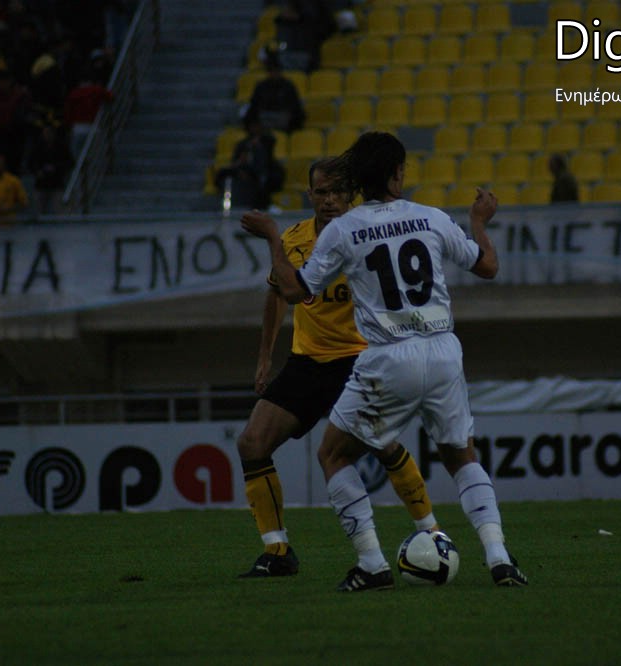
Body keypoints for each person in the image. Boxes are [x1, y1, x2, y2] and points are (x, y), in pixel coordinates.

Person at [241, 131, 528, 591]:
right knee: (462, 457)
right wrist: (479, 221)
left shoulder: (344, 230)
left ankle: (373, 564)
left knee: (334, 454)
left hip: (385, 356)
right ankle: (499, 558)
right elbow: (488, 266)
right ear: (398, 174)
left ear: (357, 183)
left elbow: (292, 290)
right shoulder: (431, 217)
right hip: (442, 350)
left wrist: (273, 237)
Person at [237, 157, 439, 578]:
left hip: (361, 358)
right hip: (308, 362)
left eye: (337, 192)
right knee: (252, 443)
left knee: (383, 445)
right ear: (310, 195)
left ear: (352, 196)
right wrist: (265, 356)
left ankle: (432, 531)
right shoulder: (294, 239)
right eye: (322, 192)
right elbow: (277, 293)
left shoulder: (366, 236)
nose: (329, 200)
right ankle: (277, 550)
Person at [215, 118, 285, 210]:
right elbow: (235, 162)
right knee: (223, 173)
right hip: (244, 169)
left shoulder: (267, 142)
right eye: (253, 126)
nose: (255, 128)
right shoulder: (242, 144)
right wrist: (240, 166)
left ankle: (264, 206)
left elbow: (266, 161)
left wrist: (258, 145)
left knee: (265, 179)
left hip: (260, 172)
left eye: (257, 126)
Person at [242, 49, 305, 134]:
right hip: (264, 119)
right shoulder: (261, 86)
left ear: (280, 71)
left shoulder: (288, 86)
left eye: (276, 71)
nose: (274, 73)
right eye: (271, 71)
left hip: (284, 120)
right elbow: (253, 106)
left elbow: (296, 107)